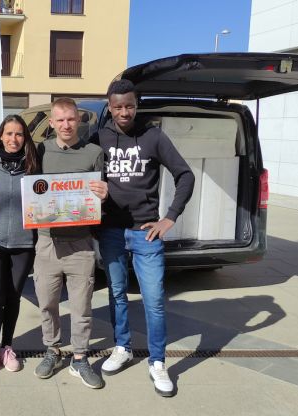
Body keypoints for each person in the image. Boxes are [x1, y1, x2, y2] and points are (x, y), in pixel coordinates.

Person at [92, 79, 195, 397]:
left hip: (145, 234)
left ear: (137, 105)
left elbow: (185, 175)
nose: (124, 111)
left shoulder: (153, 136)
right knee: (117, 295)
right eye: (118, 106)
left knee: (153, 301)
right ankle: (121, 347)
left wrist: (170, 217)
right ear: (109, 106)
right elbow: (75, 162)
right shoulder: (99, 136)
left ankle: (158, 361)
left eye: (130, 105)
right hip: (111, 231)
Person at [32, 97, 108, 389]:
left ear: (80, 121)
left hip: (81, 243)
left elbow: (101, 196)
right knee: (48, 303)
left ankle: (79, 358)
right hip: (47, 242)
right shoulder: (40, 151)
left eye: (71, 119)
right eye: (60, 119)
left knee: (81, 306)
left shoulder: (94, 152)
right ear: (51, 123)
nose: (66, 125)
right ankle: (52, 350)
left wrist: (104, 194)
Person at [0, 115, 40, 378]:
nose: (13, 139)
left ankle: (7, 348)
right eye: (9, 134)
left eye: (19, 134)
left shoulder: (35, 167)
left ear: (25, 139)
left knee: (13, 297)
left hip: (24, 244)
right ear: (0, 136)